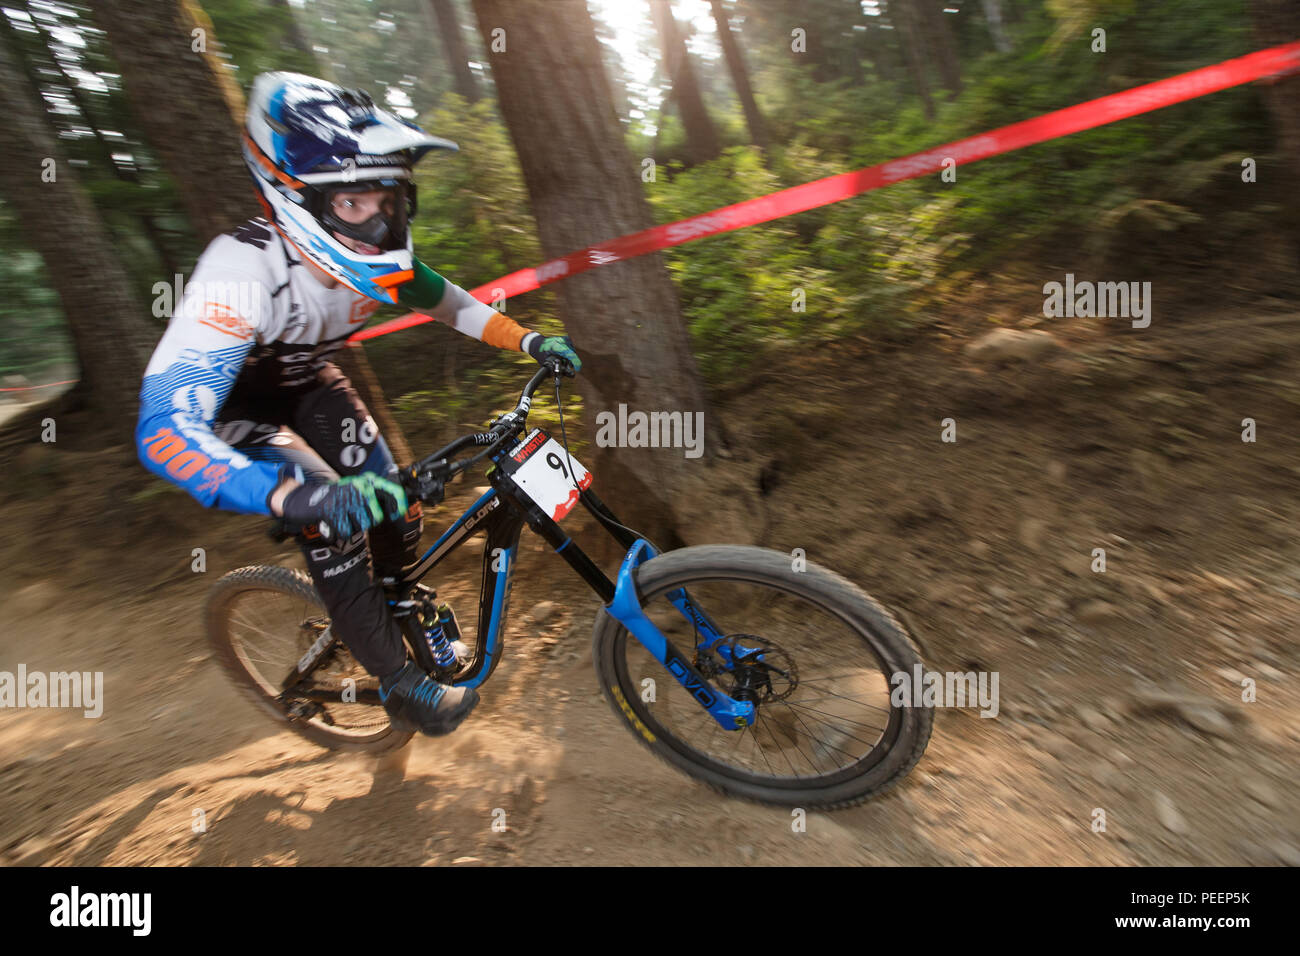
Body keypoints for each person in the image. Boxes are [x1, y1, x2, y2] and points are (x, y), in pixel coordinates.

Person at [135, 72, 581, 737]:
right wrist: (287, 498)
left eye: (391, 200)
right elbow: (164, 429)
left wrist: (528, 339)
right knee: (332, 514)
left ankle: (403, 604)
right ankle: (399, 682)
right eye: (353, 204)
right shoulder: (240, 271)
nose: (379, 221)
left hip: (311, 385)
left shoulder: (377, 258)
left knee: (395, 503)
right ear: (295, 196)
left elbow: (449, 303)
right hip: (237, 414)